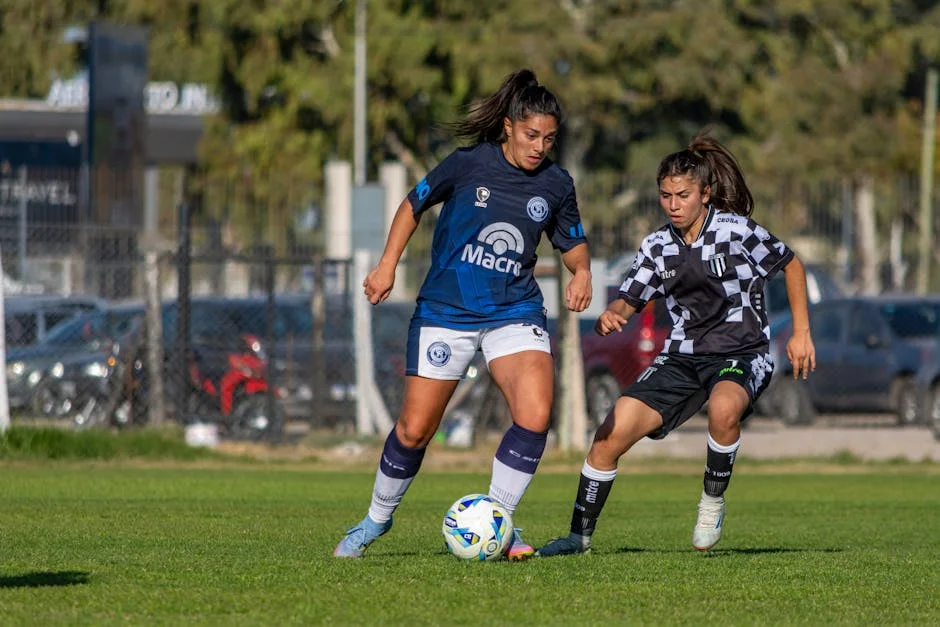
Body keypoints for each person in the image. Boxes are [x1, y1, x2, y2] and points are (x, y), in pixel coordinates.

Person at [333, 69, 593, 559]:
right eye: (531, 135)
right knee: (414, 430)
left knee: (535, 416)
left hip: (514, 310)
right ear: (509, 127)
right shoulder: (468, 163)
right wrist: (387, 265)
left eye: (549, 139)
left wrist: (581, 273)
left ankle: (499, 522)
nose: (539, 147)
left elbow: (573, 244)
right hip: (446, 310)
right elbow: (412, 205)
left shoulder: (557, 183)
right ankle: (375, 520)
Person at [536, 132, 816, 557]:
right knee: (609, 434)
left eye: (683, 195)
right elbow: (630, 298)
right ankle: (579, 538)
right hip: (682, 358)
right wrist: (614, 313)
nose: (673, 204)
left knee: (723, 409)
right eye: (665, 196)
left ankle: (711, 504)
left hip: (742, 352)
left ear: (705, 194)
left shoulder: (735, 231)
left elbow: (791, 264)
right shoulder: (657, 246)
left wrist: (800, 333)